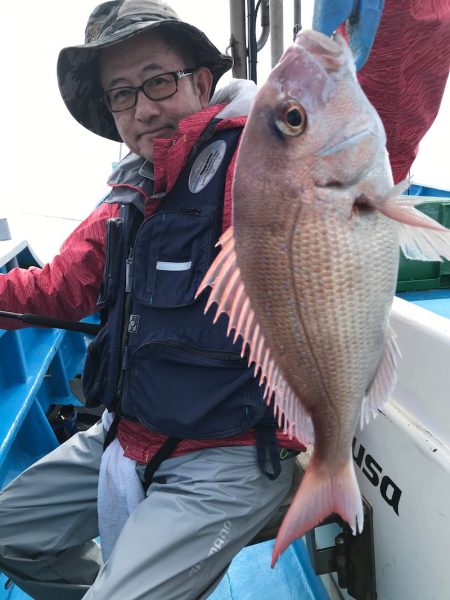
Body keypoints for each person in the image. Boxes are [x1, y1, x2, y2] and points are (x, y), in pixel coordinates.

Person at [0, 1, 304, 599]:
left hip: (232, 450)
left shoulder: (264, 158)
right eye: (121, 94)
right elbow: (57, 289)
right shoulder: (128, 193)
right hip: (124, 433)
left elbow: (376, 127)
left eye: (157, 81)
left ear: (199, 80)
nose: (143, 108)